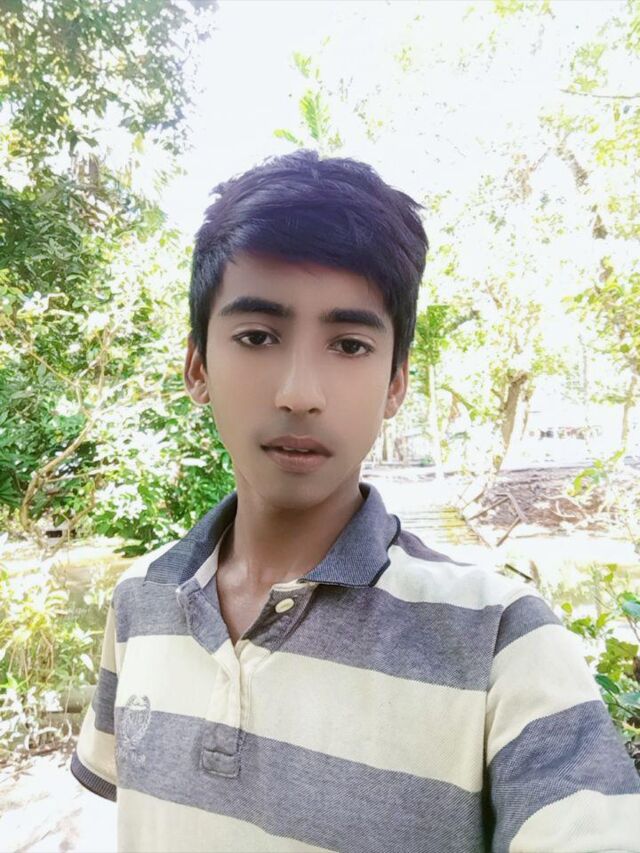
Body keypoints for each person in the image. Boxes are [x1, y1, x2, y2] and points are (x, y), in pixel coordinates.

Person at [71, 149, 640, 852]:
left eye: (348, 344)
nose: (299, 392)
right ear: (198, 367)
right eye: (257, 336)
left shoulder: (500, 640)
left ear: (396, 383)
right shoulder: (139, 599)